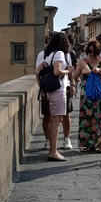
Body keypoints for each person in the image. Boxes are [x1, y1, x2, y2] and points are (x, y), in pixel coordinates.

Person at [35, 31, 73, 161]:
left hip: (50, 91)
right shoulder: (60, 54)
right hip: (58, 90)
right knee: (57, 121)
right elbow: (57, 71)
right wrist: (68, 70)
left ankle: (53, 150)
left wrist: (43, 88)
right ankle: (53, 152)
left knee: (53, 120)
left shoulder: (49, 54)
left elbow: (37, 71)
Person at [76, 39, 101, 153]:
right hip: (87, 92)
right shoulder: (84, 61)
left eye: (93, 51)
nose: (91, 54)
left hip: (100, 92)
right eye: (89, 51)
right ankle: (89, 143)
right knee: (88, 117)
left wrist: (99, 71)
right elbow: (75, 76)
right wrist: (80, 70)